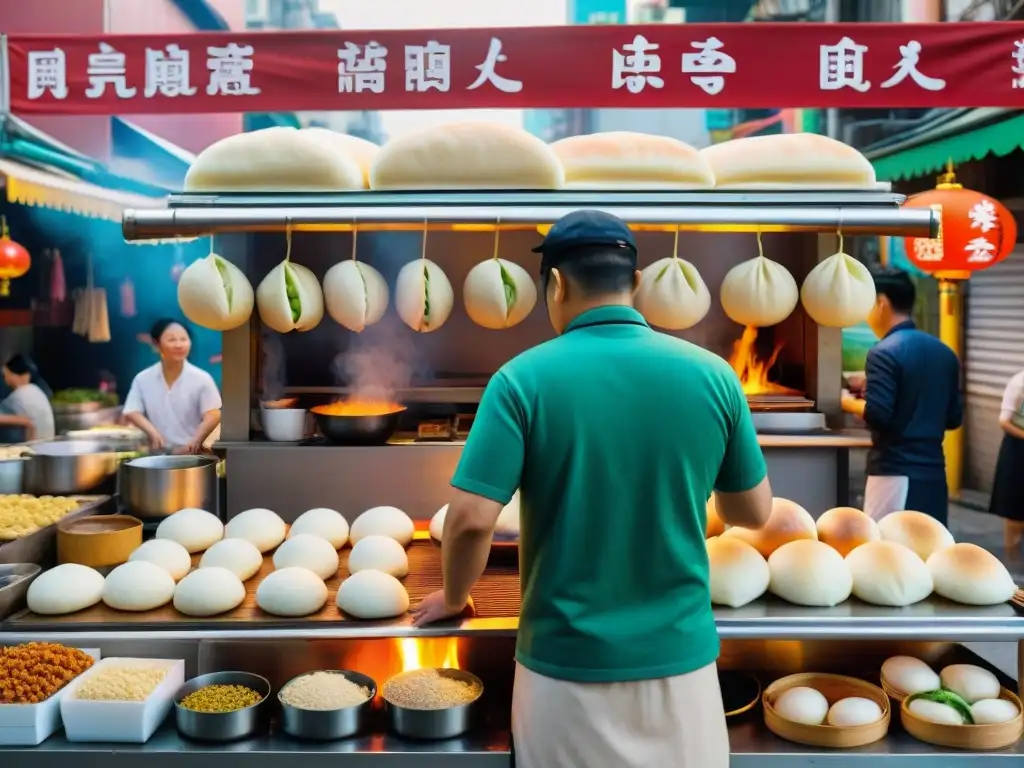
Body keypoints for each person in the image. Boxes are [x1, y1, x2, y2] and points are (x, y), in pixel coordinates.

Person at [411, 210, 773, 768]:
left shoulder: (520, 380)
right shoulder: (715, 376)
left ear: (555, 284)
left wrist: (456, 597)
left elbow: (469, 519)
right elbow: (752, 511)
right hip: (683, 668)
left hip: (563, 672)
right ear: (638, 280)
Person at [841, 267, 962, 524]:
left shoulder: (884, 352)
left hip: (893, 473)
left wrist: (846, 402)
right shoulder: (945, 353)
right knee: (928, 552)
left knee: (886, 555)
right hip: (934, 475)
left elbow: (878, 414)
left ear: (881, 303)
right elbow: (953, 418)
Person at [123, 318, 222, 454]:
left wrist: (195, 441)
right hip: (157, 457)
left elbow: (213, 414)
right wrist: (153, 432)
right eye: (171, 340)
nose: (179, 345)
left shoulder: (202, 379)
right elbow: (132, 410)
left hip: (192, 455)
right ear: (156, 344)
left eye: (183, 339)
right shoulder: (143, 379)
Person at [984, 368, 1024, 557]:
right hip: (1018, 451)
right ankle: (1013, 563)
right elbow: (1004, 422)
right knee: (1016, 509)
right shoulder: (1019, 382)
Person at [0, 354, 55, 441]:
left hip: (33, 448)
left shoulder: (18, 396)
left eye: (7, 374)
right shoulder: (37, 391)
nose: (6, 379)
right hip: (47, 443)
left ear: (18, 375)